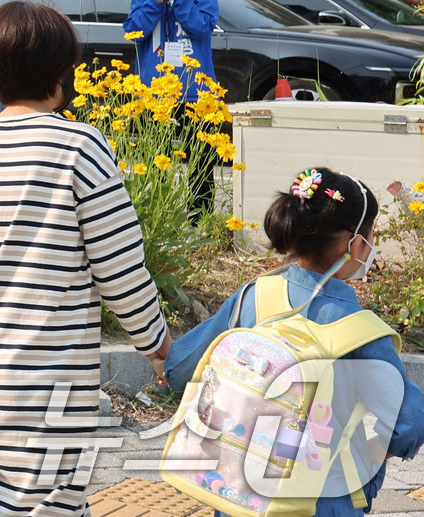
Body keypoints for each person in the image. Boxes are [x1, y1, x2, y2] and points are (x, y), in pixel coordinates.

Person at [0, 0, 170, 515]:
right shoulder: (81, 146)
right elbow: (120, 265)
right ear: (61, 70)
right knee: (48, 504)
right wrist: (158, 344)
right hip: (52, 377)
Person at [166, 168, 424, 516]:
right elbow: (411, 421)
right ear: (355, 245)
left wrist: (159, 354)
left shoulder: (253, 298)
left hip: (240, 497)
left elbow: (181, 369)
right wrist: (368, 459)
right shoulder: (361, 332)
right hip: (324, 502)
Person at [123, 0, 221, 216]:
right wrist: (156, 1)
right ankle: (154, 216)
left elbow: (202, 26)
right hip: (154, 91)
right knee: (155, 159)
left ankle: (198, 221)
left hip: (195, 91)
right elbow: (133, 31)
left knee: (201, 161)